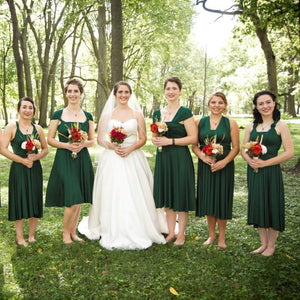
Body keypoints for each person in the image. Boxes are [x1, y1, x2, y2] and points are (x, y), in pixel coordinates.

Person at [78, 81, 166, 250]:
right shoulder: (107, 115)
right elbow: (100, 139)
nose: (123, 95)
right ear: (115, 94)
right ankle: (110, 226)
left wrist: (130, 148)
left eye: (126, 92)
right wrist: (112, 146)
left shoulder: (137, 114)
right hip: (112, 158)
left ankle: (139, 226)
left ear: (130, 94)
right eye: (120, 92)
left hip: (133, 157)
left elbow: (143, 138)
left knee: (135, 191)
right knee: (113, 191)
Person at [241, 90, 294, 256]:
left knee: (272, 204)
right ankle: (263, 244)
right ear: (256, 107)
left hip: (271, 171)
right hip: (254, 171)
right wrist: (249, 160)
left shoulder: (280, 125)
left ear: (274, 103)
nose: (265, 106)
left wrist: (266, 163)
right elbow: (244, 148)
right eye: (261, 103)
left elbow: (289, 152)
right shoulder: (251, 125)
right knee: (259, 205)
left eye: (268, 102)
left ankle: (272, 245)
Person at [46, 78, 95, 245]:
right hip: (64, 159)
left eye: (76, 91)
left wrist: (82, 144)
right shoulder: (58, 114)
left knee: (79, 199)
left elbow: (92, 141)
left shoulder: (88, 116)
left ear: (81, 93)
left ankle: (73, 232)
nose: (72, 94)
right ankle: (65, 233)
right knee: (73, 199)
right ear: (66, 93)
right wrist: (67, 145)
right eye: (70, 91)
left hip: (82, 159)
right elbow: (50, 139)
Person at [152, 76, 197, 246]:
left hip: (179, 158)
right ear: (164, 91)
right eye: (168, 89)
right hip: (163, 159)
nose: (171, 92)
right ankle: (171, 233)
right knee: (168, 196)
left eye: (174, 89)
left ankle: (181, 234)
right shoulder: (157, 113)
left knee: (180, 196)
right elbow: (155, 136)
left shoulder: (185, 112)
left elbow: (193, 138)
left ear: (179, 91)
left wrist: (170, 141)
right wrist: (156, 140)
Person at [192, 92, 240, 248]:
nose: (216, 105)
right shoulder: (199, 122)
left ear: (225, 105)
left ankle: (222, 238)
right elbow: (194, 145)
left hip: (224, 166)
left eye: (220, 103)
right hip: (206, 165)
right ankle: (211, 235)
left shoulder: (230, 123)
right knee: (208, 199)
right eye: (213, 102)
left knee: (221, 199)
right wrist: (202, 157)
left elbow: (236, 148)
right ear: (208, 104)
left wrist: (225, 162)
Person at [0, 97, 48, 246]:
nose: (28, 110)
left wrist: (36, 156)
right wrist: (21, 160)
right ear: (19, 109)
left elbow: (46, 149)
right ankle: (20, 237)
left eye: (30, 108)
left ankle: (31, 235)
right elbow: (2, 148)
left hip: (34, 169)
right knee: (19, 200)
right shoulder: (11, 127)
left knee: (34, 199)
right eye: (24, 107)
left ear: (34, 111)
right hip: (19, 169)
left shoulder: (38, 128)